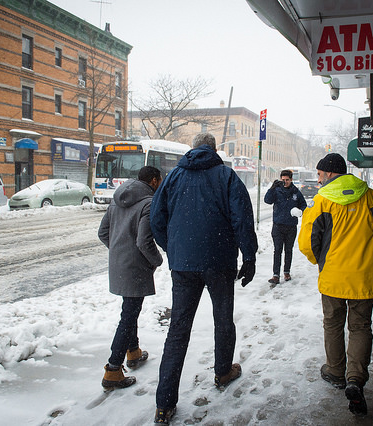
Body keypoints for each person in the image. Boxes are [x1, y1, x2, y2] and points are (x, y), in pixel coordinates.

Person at [150, 133, 258, 424]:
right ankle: (223, 371)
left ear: (193, 149)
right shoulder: (226, 176)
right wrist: (249, 256)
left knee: (178, 330)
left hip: (183, 264)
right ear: (212, 149)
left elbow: (156, 219)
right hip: (219, 261)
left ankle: (164, 404)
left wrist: (173, 248)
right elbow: (242, 219)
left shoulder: (173, 177)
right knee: (223, 319)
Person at [297, 153, 373, 416]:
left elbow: (307, 243)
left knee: (333, 324)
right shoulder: (371, 197)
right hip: (365, 276)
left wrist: (322, 261)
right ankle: (355, 379)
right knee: (361, 326)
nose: (318, 181)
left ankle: (336, 372)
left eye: (319, 175)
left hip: (333, 278)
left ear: (329, 174)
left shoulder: (322, 202)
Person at [97, 166, 163, 390]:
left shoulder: (116, 199)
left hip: (119, 265)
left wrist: (118, 252)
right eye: (160, 180)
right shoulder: (148, 203)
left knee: (129, 308)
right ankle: (113, 369)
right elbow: (144, 241)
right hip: (136, 267)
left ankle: (133, 351)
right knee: (129, 315)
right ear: (154, 181)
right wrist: (157, 260)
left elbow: (102, 233)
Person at [264, 169, 307, 284]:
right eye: (283, 180)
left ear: (291, 179)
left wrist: (300, 211)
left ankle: (286, 272)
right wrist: (272, 188)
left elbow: (304, 205)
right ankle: (275, 275)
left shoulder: (296, 192)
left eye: (287, 180)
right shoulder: (277, 190)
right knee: (277, 250)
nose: (285, 182)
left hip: (291, 226)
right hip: (278, 226)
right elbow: (267, 200)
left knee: (288, 250)